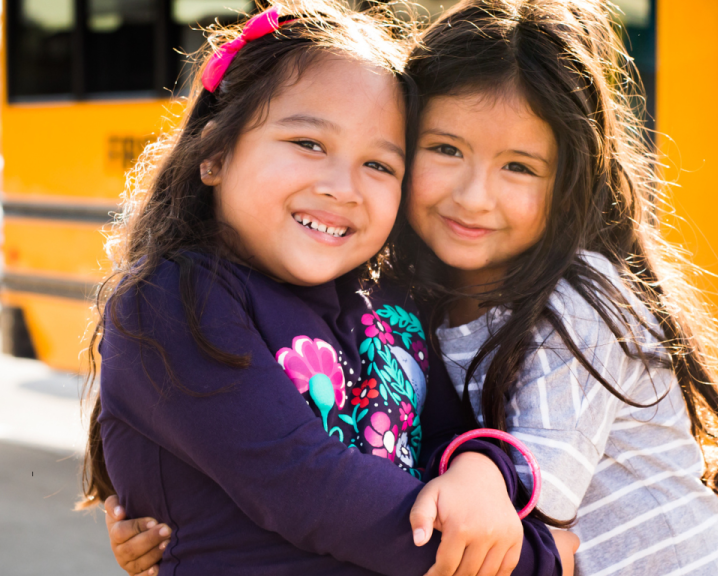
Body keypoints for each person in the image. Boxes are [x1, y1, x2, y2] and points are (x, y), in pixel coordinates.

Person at [82, 2, 575, 576]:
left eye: (380, 165)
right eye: (309, 144)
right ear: (214, 152)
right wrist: (530, 560)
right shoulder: (173, 301)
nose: (343, 187)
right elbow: (303, 484)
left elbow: (449, 433)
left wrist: (479, 471)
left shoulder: (390, 304)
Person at [393, 0, 718, 574]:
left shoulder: (580, 298)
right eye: (446, 149)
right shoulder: (415, 299)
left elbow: (546, 475)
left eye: (518, 167)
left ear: (569, 181)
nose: (473, 195)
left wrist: (478, 471)